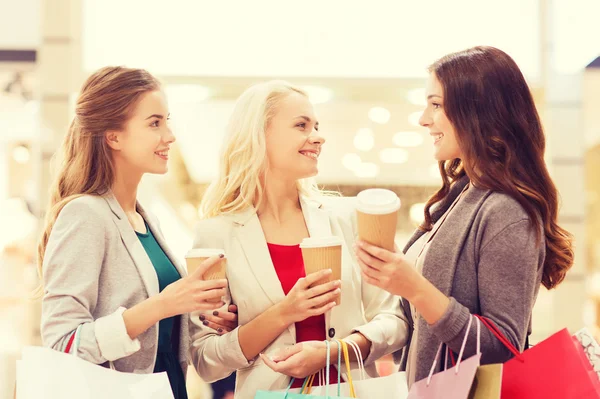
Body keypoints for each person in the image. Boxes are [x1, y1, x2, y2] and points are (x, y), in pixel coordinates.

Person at [354, 46, 574, 386]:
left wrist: (415, 288)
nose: (423, 118)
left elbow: (503, 347)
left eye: (436, 104)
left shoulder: (506, 210)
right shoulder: (461, 194)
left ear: (478, 112)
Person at [189, 80, 409, 398]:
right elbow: (206, 360)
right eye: (301, 125)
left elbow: (396, 318)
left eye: (316, 126)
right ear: (259, 135)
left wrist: (334, 351)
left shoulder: (348, 218)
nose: (318, 137)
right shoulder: (215, 234)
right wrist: (285, 312)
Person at [38, 66, 229, 399]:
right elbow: (61, 343)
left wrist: (206, 317)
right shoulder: (85, 214)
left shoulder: (144, 218)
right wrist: (161, 305)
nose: (169, 135)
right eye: (154, 123)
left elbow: (163, 333)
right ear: (113, 136)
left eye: (167, 121)